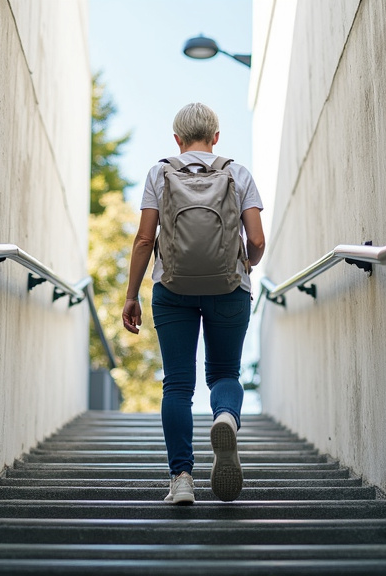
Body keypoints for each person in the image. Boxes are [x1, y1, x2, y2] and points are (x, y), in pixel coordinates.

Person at [122, 102, 265, 505]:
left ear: (177, 139)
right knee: (224, 372)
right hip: (229, 286)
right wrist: (243, 266)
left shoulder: (159, 172)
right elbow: (256, 241)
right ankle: (224, 418)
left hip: (172, 288)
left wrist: (131, 295)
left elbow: (145, 240)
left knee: (178, 385)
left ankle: (181, 479)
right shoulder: (238, 173)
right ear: (216, 137)